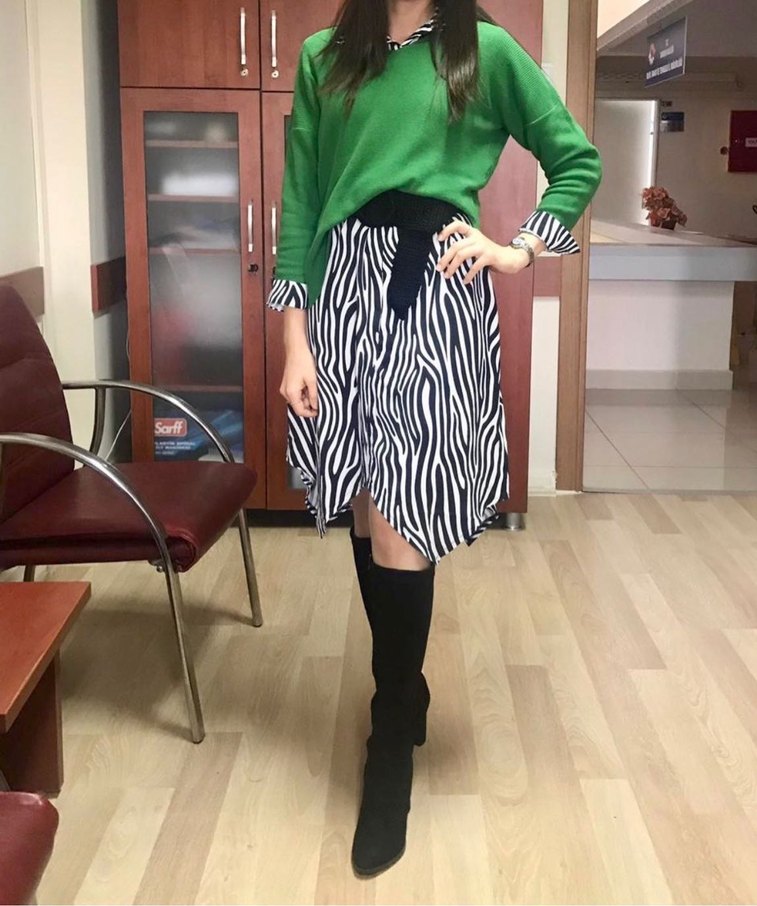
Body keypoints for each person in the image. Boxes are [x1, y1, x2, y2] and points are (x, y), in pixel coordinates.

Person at [266, 0, 602, 877]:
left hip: (438, 293)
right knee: (365, 498)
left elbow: (575, 158)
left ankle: (389, 736)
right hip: (342, 295)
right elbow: (301, 200)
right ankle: (404, 690)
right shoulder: (323, 56)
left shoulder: (481, 51)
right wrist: (295, 339)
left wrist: (519, 249)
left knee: (402, 515)